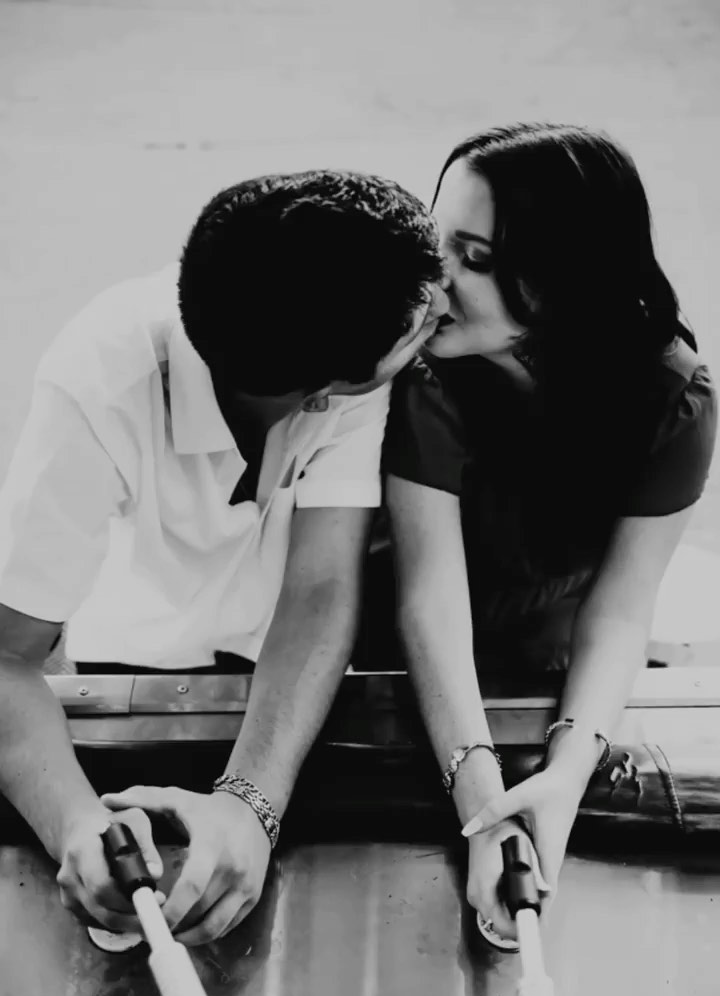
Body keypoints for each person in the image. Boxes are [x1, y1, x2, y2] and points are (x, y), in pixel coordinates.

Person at [0, 169, 446, 945]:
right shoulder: (98, 381)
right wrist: (76, 826)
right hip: (134, 659)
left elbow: (320, 588)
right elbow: (7, 656)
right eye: (420, 315)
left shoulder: (331, 348)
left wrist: (249, 805)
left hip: (292, 685)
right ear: (329, 389)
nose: (440, 309)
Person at [382, 123, 717, 945]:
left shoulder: (672, 399)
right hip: (400, 655)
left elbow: (622, 608)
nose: (434, 280)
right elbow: (429, 601)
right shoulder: (425, 375)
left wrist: (566, 776)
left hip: (551, 652)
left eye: (475, 259)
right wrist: (482, 804)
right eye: (434, 243)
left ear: (568, 278)